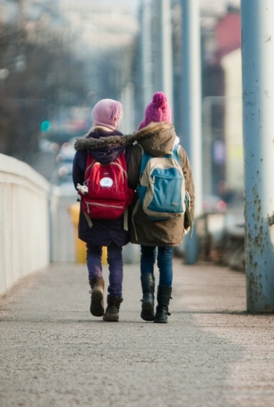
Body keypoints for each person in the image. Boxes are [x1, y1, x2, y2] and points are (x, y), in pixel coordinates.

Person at [127, 92, 195, 323]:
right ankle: (163, 310)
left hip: (146, 211)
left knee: (147, 254)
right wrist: (189, 219)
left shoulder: (139, 149)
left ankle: (147, 296)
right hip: (173, 214)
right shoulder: (179, 150)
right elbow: (189, 188)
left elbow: (131, 181)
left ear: (147, 121)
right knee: (166, 258)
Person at [72, 99, 132, 322]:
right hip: (118, 209)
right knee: (115, 255)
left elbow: (77, 177)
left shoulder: (85, 146)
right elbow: (132, 177)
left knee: (94, 250)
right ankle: (114, 305)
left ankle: (96, 282)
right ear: (116, 119)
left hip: (92, 209)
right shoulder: (124, 146)